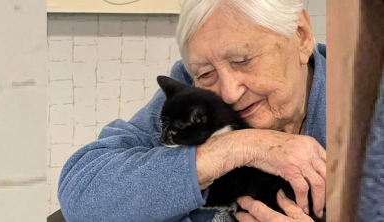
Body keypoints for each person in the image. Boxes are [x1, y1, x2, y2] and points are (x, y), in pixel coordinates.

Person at [58, 0, 326, 221]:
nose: (230, 92)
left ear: (300, 36)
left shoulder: (361, 102)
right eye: (206, 73)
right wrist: (241, 147)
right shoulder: (196, 95)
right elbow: (82, 198)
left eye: (242, 60)